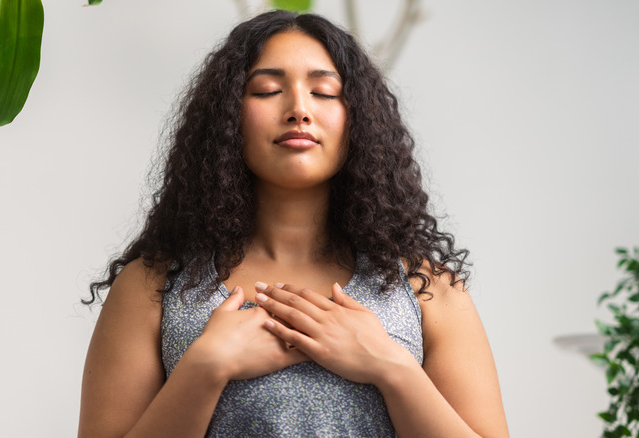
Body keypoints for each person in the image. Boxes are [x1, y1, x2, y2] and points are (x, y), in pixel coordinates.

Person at [78, 9, 509, 438]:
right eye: (267, 90)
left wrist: (390, 366)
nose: (299, 109)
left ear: (358, 118)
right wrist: (204, 368)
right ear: (227, 117)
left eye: (324, 91)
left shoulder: (427, 287)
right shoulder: (151, 286)